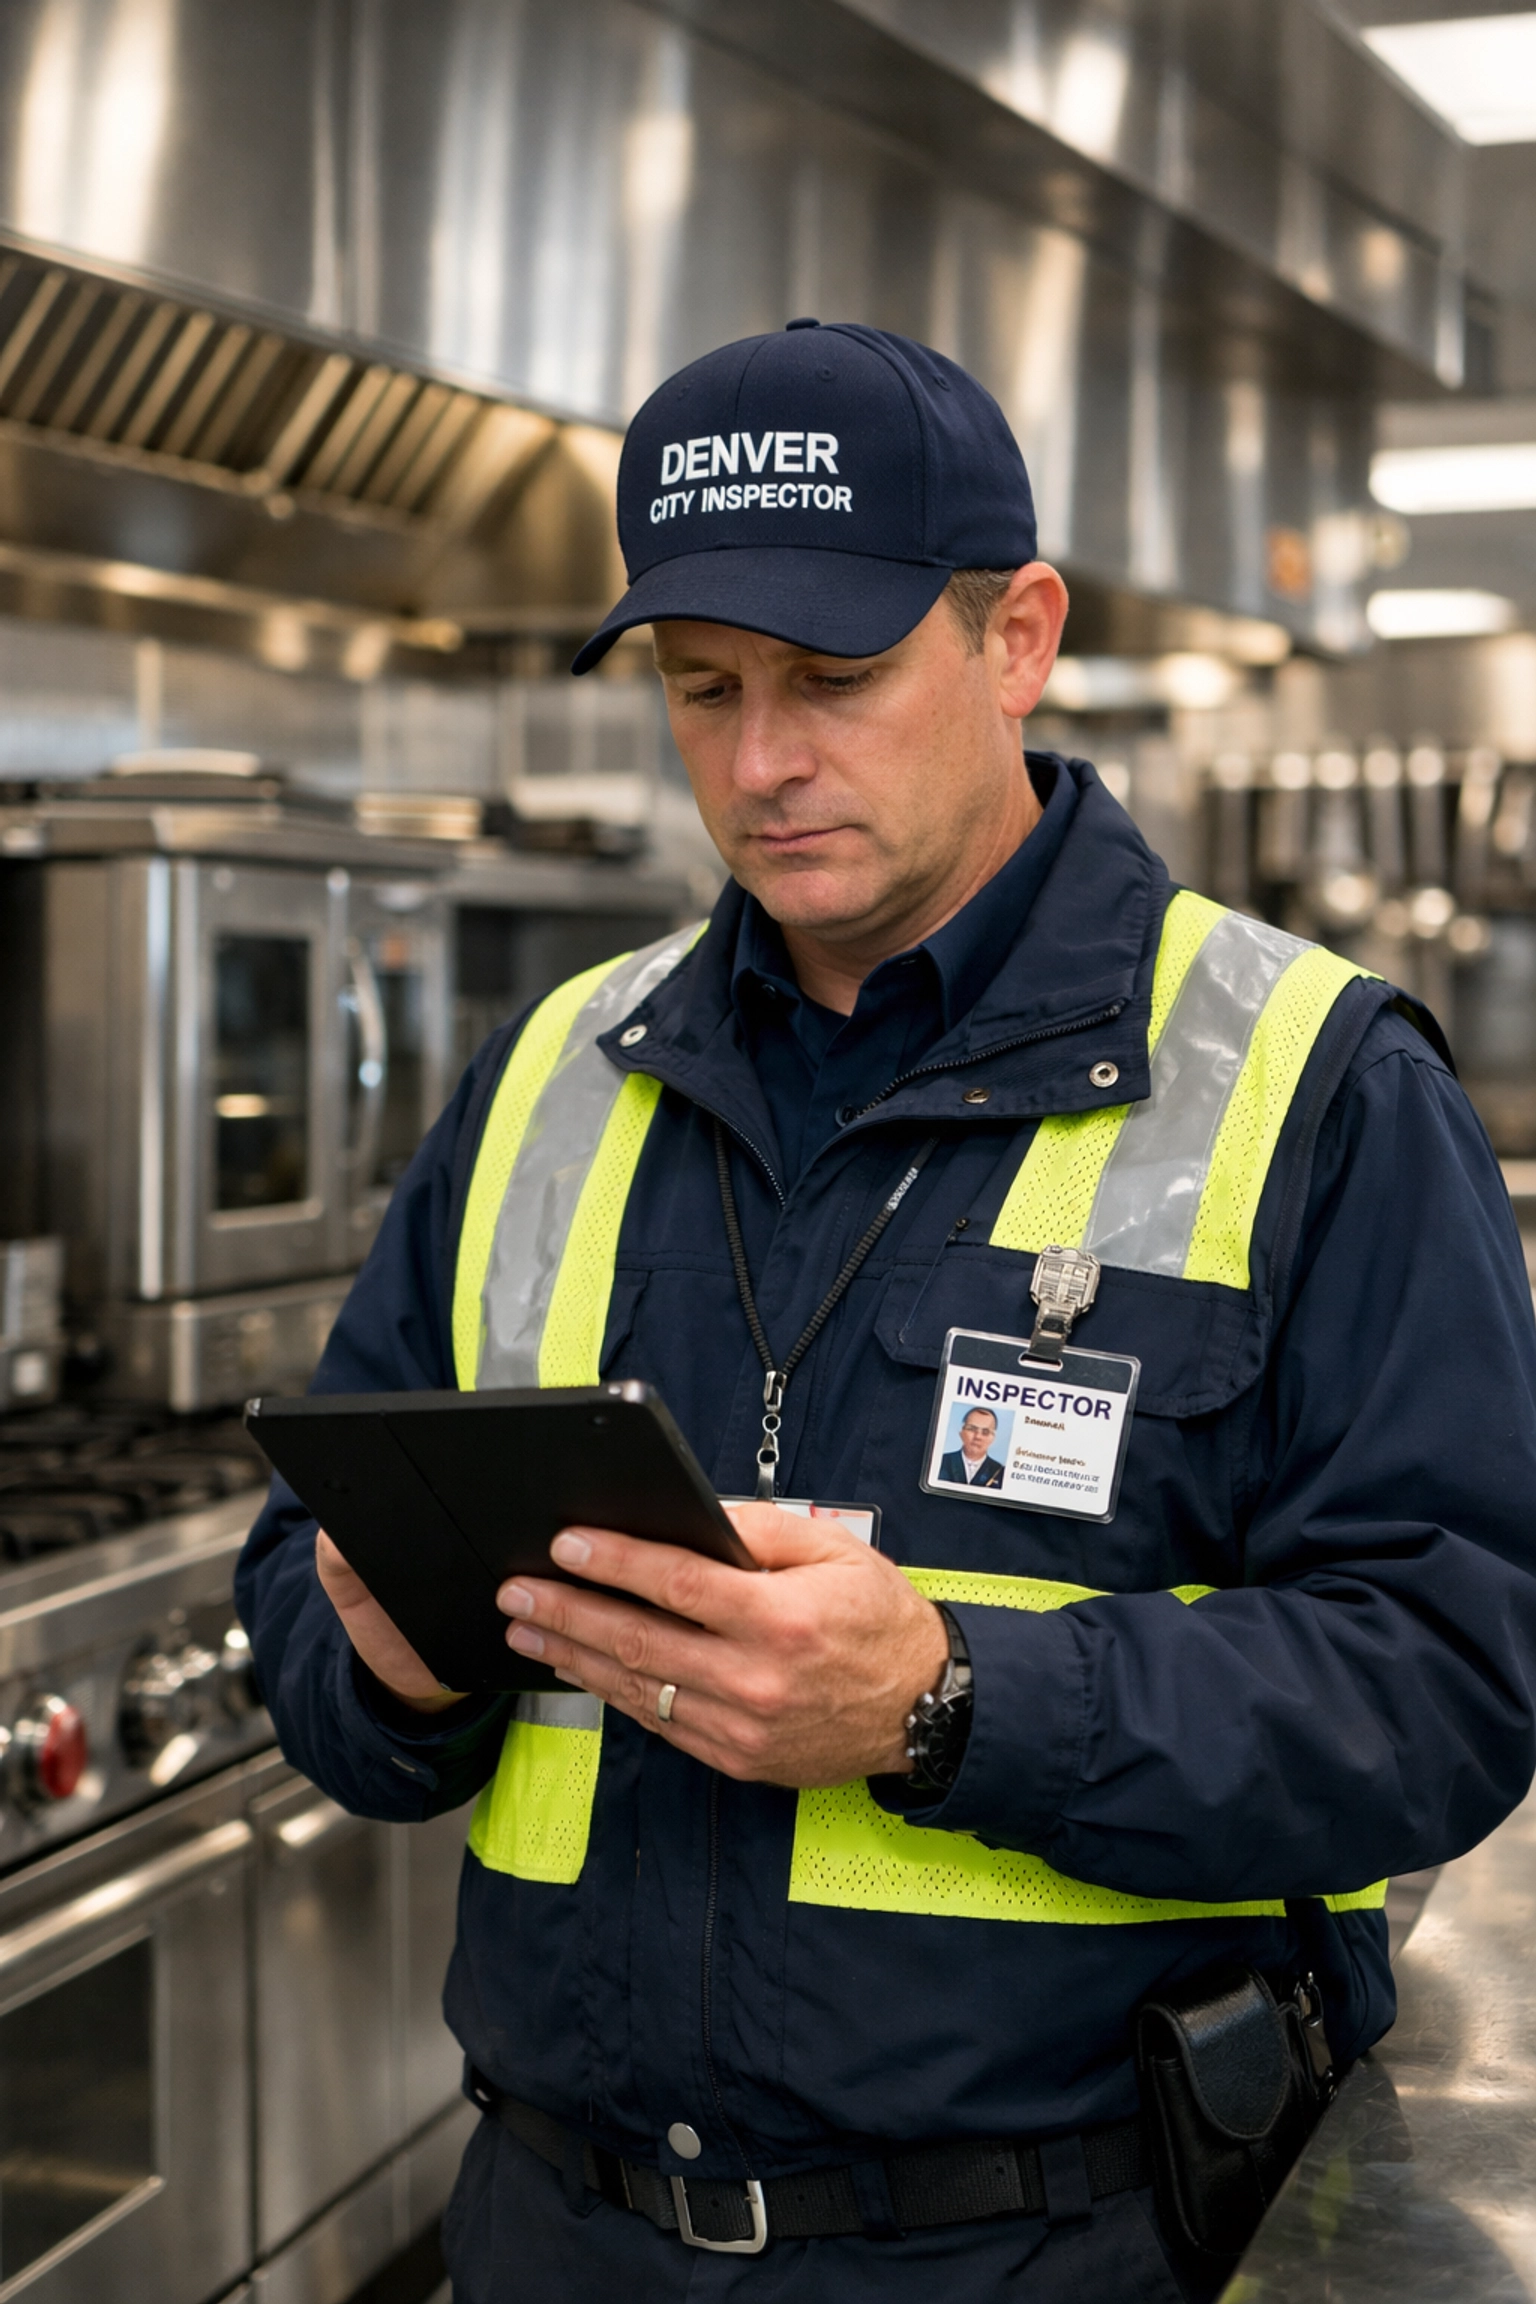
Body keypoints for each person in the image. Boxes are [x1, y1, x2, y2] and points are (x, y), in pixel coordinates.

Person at [237, 320, 1536, 2304]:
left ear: (1017, 636)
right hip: (559, 2241)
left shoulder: (1316, 1087)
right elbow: (307, 1606)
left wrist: (949, 1703)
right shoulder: (551, 1078)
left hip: (1071, 2245)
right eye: (703, 690)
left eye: (835, 682)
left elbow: (1447, 1682)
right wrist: (390, 1667)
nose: (759, 765)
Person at [939, 1407, 1007, 1488]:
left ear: (993, 1438)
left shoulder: (1000, 1472)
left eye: (985, 1432)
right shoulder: (941, 1461)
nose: (977, 1436)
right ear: (961, 1433)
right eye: (971, 1429)